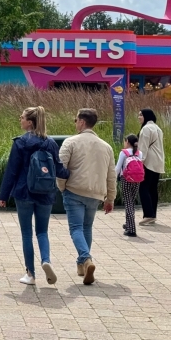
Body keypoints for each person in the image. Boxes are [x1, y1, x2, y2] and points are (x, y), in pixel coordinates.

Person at [0, 106, 69, 286]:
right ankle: (46, 260)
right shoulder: (51, 143)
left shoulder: (21, 142)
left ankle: (30, 274)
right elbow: (60, 170)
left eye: (22, 117)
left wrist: (3, 195)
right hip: (45, 193)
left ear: (30, 122)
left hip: (24, 192)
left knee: (26, 233)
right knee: (42, 231)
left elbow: (11, 171)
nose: (20, 120)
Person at [57, 108, 116, 285]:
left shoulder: (70, 142)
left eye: (76, 120)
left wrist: (62, 187)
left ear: (82, 122)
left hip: (74, 190)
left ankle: (86, 258)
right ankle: (81, 265)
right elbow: (111, 175)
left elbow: (60, 167)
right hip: (95, 194)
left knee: (75, 228)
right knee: (87, 228)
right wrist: (110, 198)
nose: (75, 123)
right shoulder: (106, 147)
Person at [137, 108, 165, 226]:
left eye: (141, 115)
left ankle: (148, 215)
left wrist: (139, 162)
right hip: (158, 161)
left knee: (143, 188)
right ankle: (153, 214)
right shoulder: (158, 128)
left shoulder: (146, 129)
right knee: (153, 188)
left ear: (146, 116)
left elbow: (142, 148)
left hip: (149, 162)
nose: (139, 117)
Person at [116, 134, 143, 237]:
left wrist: (113, 179)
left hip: (126, 180)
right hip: (137, 180)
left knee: (128, 203)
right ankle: (128, 224)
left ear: (127, 141)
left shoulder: (124, 153)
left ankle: (131, 229)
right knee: (131, 202)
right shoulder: (139, 153)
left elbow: (118, 168)